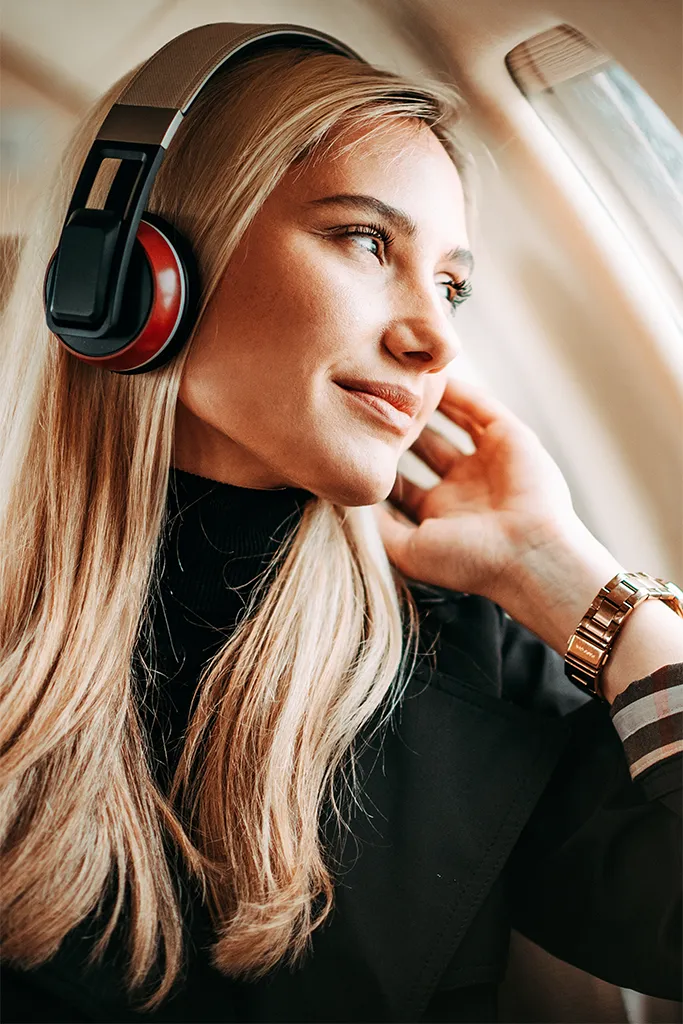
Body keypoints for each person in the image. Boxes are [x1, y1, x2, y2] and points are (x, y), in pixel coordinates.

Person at [0, 22, 681, 1024]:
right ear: (130, 269)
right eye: (366, 241)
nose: (434, 335)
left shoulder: (463, 647)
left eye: (451, 284)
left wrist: (577, 582)